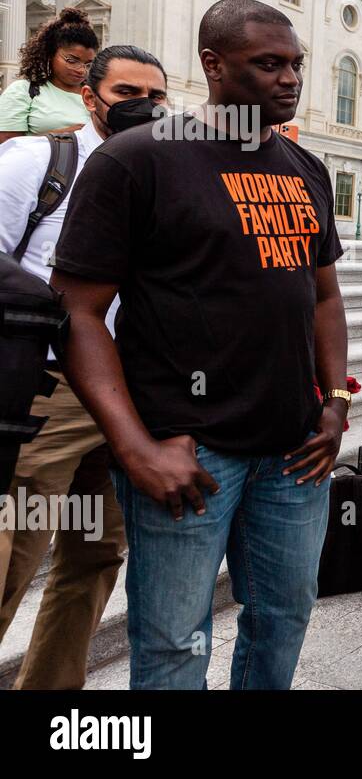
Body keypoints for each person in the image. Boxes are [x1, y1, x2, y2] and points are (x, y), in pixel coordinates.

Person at [51, 0, 349, 690]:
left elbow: (326, 297)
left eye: (295, 64)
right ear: (212, 65)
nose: (289, 79)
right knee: (174, 647)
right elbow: (77, 309)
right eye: (267, 64)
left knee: (283, 619)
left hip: (294, 451)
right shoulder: (138, 160)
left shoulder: (306, 168)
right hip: (189, 450)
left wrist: (334, 403)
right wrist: (134, 445)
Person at [0, 45, 167, 689]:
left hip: (126, 396)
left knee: (94, 556)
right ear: (90, 97)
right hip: (47, 390)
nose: (143, 107)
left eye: (154, 97)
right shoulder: (40, 160)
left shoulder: (159, 176)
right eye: (126, 94)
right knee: (14, 553)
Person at [0, 7, 97, 144]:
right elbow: (7, 145)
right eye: (72, 60)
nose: (81, 70)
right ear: (50, 54)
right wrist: (65, 135)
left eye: (88, 64)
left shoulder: (96, 95)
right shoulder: (24, 91)